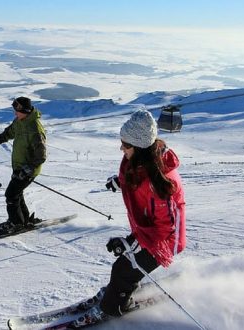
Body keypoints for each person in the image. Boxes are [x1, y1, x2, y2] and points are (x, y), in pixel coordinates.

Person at [89, 109, 186, 320]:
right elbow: (135, 175)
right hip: (148, 228)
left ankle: (115, 306)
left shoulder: (160, 183)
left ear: (140, 147)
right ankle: (119, 289)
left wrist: (132, 244)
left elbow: (166, 228)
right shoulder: (141, 161)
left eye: (126, 145)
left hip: (165, 238)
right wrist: (119, 181)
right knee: (124, 266)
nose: (121, 148)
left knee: (124, 269)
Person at [0, 97, 46, 234]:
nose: (15, 114)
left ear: (25, 111)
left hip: (29, 169)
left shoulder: (35, 128)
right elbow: (7, 134)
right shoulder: (19, 122)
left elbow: (40, 156)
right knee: (16, 193)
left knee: (11, 194)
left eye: (17, 111)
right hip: (18, 167)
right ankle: (24, 219)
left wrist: (26, 170)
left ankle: (15, 223)